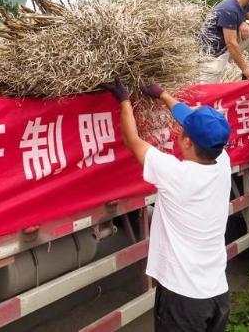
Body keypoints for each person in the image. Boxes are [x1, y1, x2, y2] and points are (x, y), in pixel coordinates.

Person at [102, 79, 232, 332]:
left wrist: (124, 100)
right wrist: (163, 95)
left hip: (183, 299)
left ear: (187, 142)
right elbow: (193, 123)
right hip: (217, 293)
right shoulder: (222, 160)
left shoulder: (175, 174)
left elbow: (132, 140)